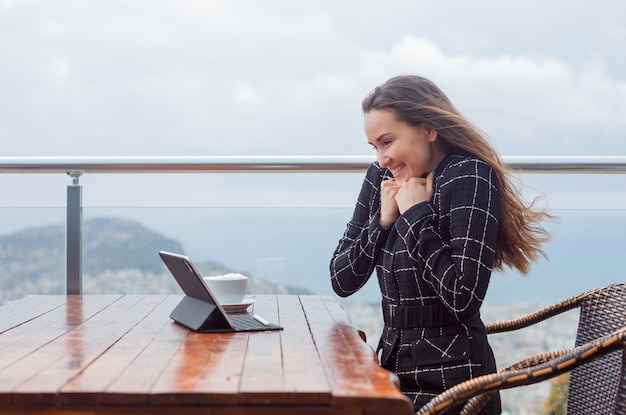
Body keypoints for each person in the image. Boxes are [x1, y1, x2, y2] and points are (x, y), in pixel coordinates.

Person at [329, 75, 551, 413]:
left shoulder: (469, 175)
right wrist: (382, 222)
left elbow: (463, 299)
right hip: (391, 372)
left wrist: (416, 215)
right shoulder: (382, 179)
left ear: (429, 128)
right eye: (374, 147)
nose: (382, 159)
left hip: (455, 383)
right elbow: (341, 279)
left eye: (387, 141)